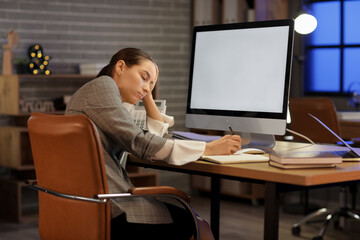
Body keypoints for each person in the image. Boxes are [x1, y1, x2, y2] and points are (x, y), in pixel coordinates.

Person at [65, 48, 241, 239]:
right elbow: (142, 143)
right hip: (113, 209)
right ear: (121, 67)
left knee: (197, 224)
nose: (148, 87)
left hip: (87, 206)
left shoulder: (102, 97)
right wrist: (208, 148)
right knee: (200, 227)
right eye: (143, 77)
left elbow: (154, 136)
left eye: (152, 83)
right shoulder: (103, 86)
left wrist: (147, 92)